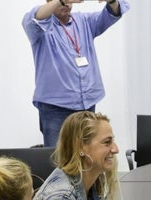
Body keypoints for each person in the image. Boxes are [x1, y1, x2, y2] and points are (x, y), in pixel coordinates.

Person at [23, 0, 130, 147]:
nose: (67, 4)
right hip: (55, 107)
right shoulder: (40, 27)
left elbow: (113, 13)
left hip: (87, 103)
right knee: (58, 159)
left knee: (87, 153)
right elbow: (34, 17)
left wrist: (112, 1)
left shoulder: (84, 21)